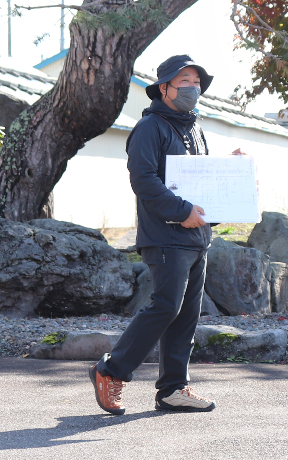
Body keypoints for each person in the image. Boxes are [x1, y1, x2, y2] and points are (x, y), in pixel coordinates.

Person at [90, 54, 217, 415]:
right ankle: (110, 371)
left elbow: (202, 181)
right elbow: (143, 181)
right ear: (163, 88)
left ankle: (173, 388)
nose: (193, 89)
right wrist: (181, 212)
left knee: (186, 314)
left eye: (197, 83)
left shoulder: (194, 127)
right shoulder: (149, 128)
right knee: (165, 306)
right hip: (165, 237)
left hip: (196, 238)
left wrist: (231, 173)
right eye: (184, 82)